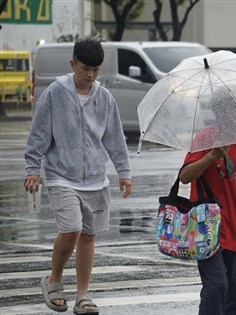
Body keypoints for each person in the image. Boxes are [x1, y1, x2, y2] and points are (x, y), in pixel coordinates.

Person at [24, 37, 132, 314]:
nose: (91, 75)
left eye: (96, 69)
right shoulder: (55, 94)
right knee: (71, 229)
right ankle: (54, 280)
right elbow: (38, 135)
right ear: (73, 64)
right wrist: (32, 169)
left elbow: (114, 138)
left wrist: (124, 172)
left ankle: (83, 295)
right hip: (61, 175)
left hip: (96, 177)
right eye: (85, 68)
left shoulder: (104, 97)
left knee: (88, 235)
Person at [179, 89, 236, 315]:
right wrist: (211, 155)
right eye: (233, 109)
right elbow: (185, 176)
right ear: (220, 111)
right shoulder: (205, 138)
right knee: (216, 286)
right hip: (208, 229)